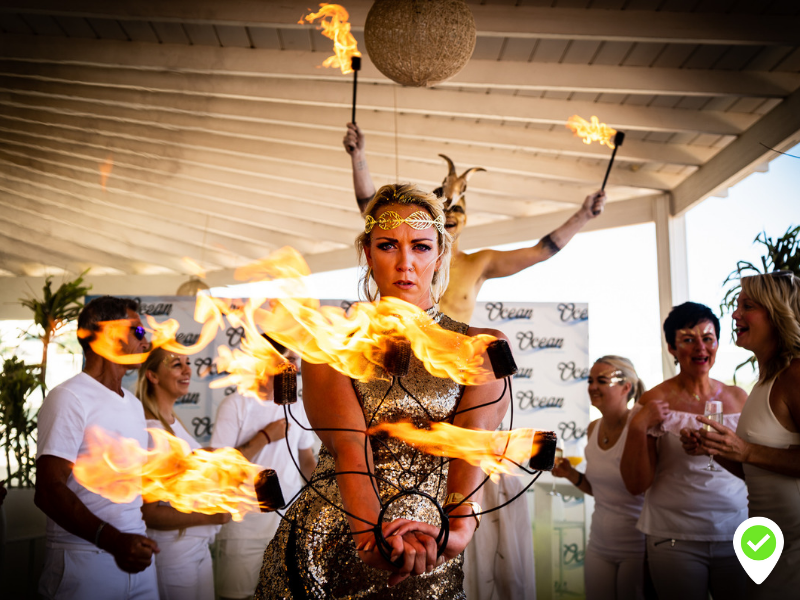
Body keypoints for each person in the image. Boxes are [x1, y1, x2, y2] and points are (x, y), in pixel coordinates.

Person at [255, 183, 511, 598]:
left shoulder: (482, 347)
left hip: (433, 548)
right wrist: (371, 537)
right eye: (389, 245)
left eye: (422, 247)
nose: (406, 263)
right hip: (333, 544)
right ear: (368, 254)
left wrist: (457, 531)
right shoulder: (331, 342)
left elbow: (471, 447)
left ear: (440, 256)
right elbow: (351, 449)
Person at [343, 123, 606, 323]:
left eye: (457, 209)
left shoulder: (480, 264)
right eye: (443, 209)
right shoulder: (401, 255)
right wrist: (358, 157)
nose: (450, 215)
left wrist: (583, 215)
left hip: (448, 363)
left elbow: (540, 251)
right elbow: (372, 211)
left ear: (467, 219)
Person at [682, 272, 800, 598]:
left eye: (747, 305)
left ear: (777, 313)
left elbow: (753, 455)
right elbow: (758, 470)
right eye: (737, 305)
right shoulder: (763, 383)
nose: (734, 314)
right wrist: (717, 449)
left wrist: (746, 450)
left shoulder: (796, 374)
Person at [620, 302, 748, 600]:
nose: (700, 347)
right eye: (688, 339)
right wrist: (639, 427)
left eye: (708, 338)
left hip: (737, 532)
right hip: (674, 537)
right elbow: (636, 484)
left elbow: (753, 466)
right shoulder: (656, 401)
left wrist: (716, 448)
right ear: (672, 348)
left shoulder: (739, 398)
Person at [35, 296, 159, 600]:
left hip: (136, 557)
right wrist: (113, 541)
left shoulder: (132, 404)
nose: (147, 342)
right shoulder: (69, 397)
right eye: (139, 332)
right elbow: (48, 490)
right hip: (85, 559)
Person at [212, 337, 316, 600]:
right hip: (243, 529)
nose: (295, 364)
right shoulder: (236, 404)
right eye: (289, 357)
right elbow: (218, 467)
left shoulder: (298, 406)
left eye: (296, 358)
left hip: (286, 527)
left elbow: (307, 463)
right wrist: (264, 437)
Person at [136, 347, 231, 600]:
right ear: (153, 376)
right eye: (176, 364)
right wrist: (211, 516)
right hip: (174, 553)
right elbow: (149, 512)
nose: (187, 369)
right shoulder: (152, 432)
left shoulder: (172, 422)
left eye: (187, 363)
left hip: (196, 547)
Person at [553, 356, 646, 600]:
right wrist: (571, 474)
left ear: (626, 387)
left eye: (602, 380)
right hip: (599, 545)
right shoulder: (593, 428)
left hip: (637, 548)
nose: (592, 387)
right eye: (590, 380)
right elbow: (600, 490)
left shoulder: (640, 425)